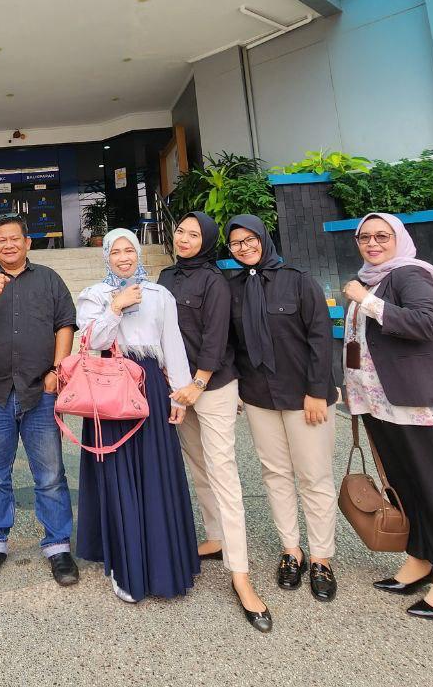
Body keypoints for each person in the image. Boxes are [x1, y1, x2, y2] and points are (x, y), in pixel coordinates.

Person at [341, 212, 433, 620]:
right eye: (365, 237)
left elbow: (427, 323)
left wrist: (366, 301)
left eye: (382, 236)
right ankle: (420, 559)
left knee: (432, 487)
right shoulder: (370, 279)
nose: (372, 243)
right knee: (403, 485)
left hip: (415, 403)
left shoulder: (410, 274)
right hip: (380, 403)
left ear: (399, 238)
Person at [159, 212, 271, 632]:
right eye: (180, 232)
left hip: (212, 385)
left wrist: (198, 383)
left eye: (194, 234)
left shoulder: (214, 281)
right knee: (199, 468)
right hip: (178, 387)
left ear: (206, 240)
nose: (184, 239)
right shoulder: (165, 277)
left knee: (223, 473)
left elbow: (216, 336)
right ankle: (215, 537)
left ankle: (241, 574)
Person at [74, 228, 200, 603]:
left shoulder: (160, 295)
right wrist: (116, 306)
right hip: (111, 387)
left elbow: (172, 345)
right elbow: (93, 342)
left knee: (155, 472)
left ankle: (163, 565)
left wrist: (180, 395)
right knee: (117, 474)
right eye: (116, 252)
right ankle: (124, 566)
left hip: (151, 386)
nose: (124, 258)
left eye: (129, 250)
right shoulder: (95, 294)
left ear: (139, 253)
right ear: (106, 257)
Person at [225, 214, 338, 609]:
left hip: (304, 396)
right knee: (274, 474)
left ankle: (321, 557)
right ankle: (292, 549)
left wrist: (317, 391)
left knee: (314, 476)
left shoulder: (299, 280)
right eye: (236, 243)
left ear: (263, 237)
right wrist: (235, 389)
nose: (244, 247)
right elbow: (231, 345)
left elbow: (320, 337)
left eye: (249, 239)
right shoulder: (233, 288)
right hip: (259, 396)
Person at [0, 212, 78, 586]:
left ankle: (58, 547)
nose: (9, 245)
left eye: (15, 238)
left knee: (50, 474)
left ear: (27, 243)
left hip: (39, 391)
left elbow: (65, 324)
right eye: (2, 240)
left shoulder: (48, 279)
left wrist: (57, 370)